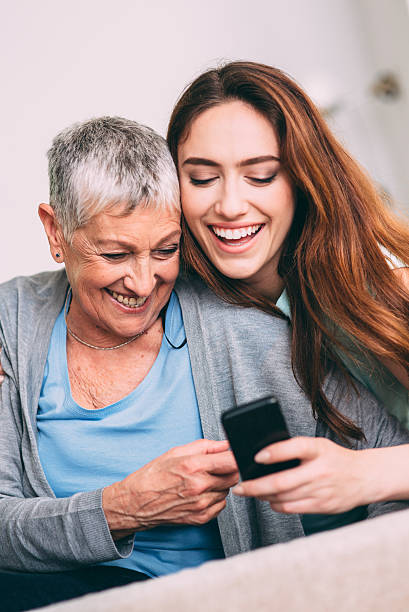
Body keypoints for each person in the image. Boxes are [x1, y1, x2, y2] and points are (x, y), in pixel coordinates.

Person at [0, 115, 408, 611]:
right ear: (55, 230)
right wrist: (121, 508)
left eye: (166, 250)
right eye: (114, 254)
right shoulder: (13, 323)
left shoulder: (251, 332)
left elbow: (384, 459)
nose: (144, 282)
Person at [166, 60, 409, 515]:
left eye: (261, 175)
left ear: (303, 178)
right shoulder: (183, 292)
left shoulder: (377, 284)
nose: (230, 205)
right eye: (201, 178)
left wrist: (362, 474)